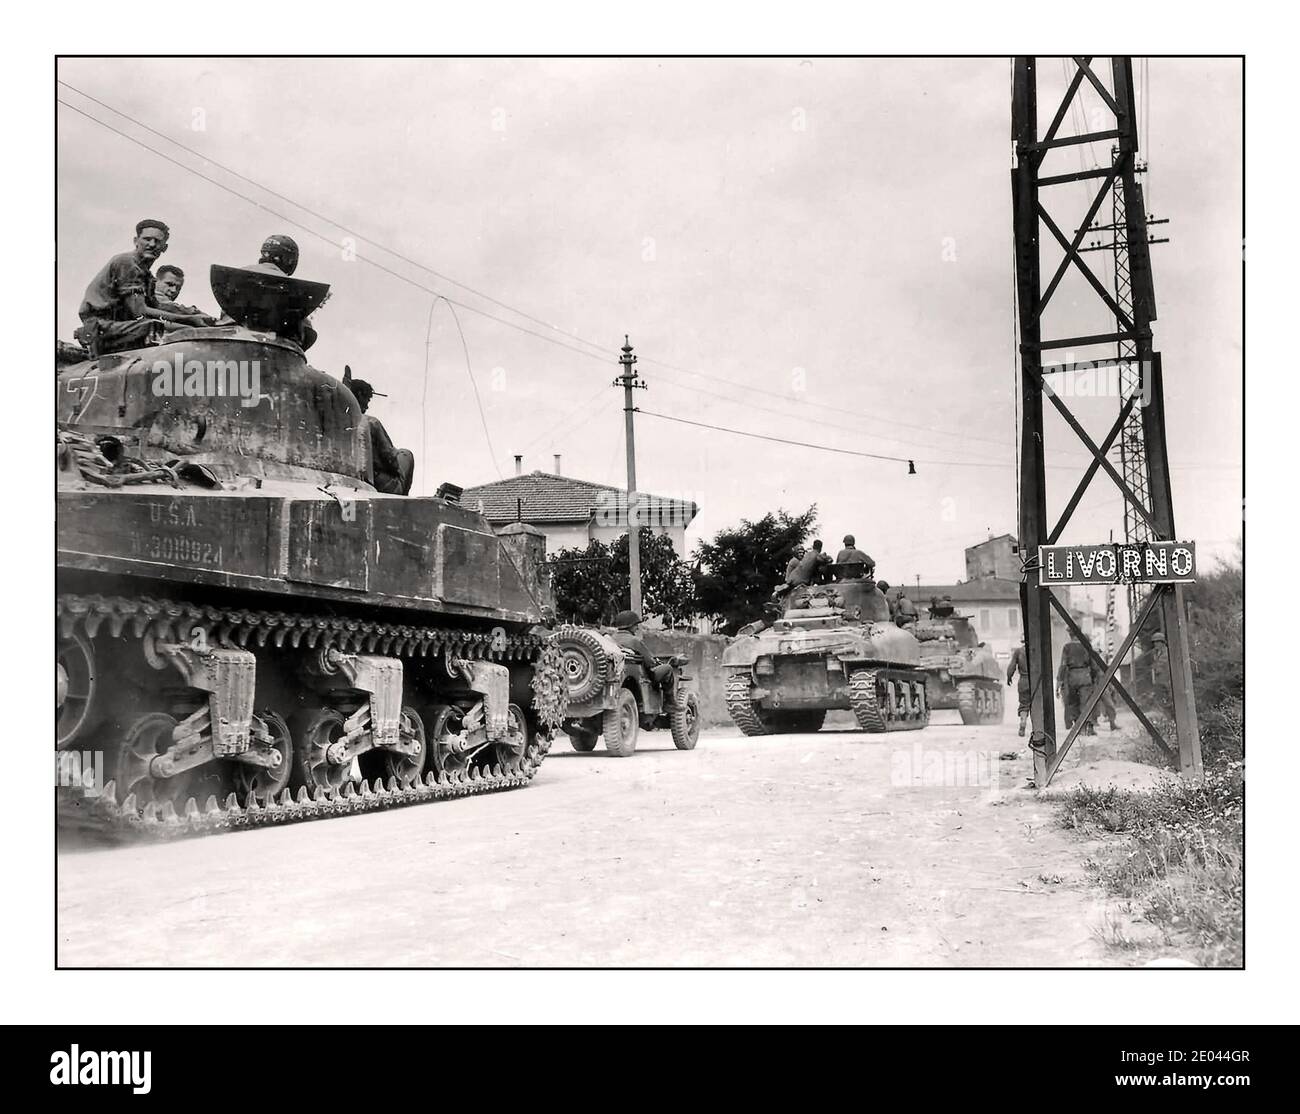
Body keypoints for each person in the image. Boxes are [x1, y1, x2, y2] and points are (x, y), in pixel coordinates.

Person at [74, 219, 212, 356]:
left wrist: (196, 315)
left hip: (116, 327)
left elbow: (158, 306)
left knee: (185, 329)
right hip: (101, 327)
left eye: (157, 241)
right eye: (147, 239)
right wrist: (189, 320)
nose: (152, 244)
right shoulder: (127, 262)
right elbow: (139, 311)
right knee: (161, 328)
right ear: (136, 241)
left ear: (164, 247)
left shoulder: (147, 276)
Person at [347, 371, 414, 495]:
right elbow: (390, 459)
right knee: (406, 454)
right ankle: (402, 500)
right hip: (379, 484)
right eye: (367, 400)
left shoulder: (340, 421)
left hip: (350, 480)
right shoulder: (371, 422)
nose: (367, 406)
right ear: (360, 395)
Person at [611, 610, 677, 704]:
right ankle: (670, 703)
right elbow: (650, 662)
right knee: (668, 669)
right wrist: (655, 662)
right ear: (629, 626)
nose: (637, 628)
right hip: (641, 675)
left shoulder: (611, 638)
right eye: (635, 625)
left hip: (618, 671)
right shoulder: (634, 641)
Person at [1056, 631, 1100, 735]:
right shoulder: (1086, 645)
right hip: (1085, 676)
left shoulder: (1067, 647)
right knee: (1086, 702)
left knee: (1074, 702)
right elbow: (1093, 665)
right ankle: (1089, 726)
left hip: (1072, 677)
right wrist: (1093, 678)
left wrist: (1060, 680)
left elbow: (1063, 665)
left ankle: (1080, 728)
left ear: (1070, 635)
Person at [1006, 640, 1032, 737]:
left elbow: (1012, 666)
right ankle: (1038, 729)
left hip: (1023, 681)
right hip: (1035, 681)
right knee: (1036, 704)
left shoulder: (1019, 651)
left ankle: (1023, 721)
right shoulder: (1036, 650)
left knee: (1024, 704)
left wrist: (1009, 677)